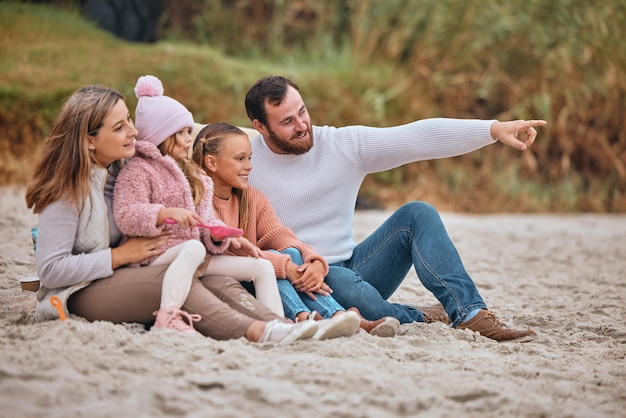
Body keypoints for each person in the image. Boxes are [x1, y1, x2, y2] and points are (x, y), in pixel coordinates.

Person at [243, 75, 547, 342]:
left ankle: (470, 312)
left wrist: (493, 129)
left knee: (418, 213)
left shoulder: (341, 144)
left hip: (355, 266)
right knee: (343, 284)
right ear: (260, 127)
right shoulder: (244, 162)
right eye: (287, 121)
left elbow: (416, 138)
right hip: (293, 277)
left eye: (303, 112)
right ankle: (420, 315)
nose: (302, 125)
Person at [24, 83, 317, 345]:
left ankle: (278, 325)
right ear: (89, 140)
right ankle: (257, 332)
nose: (134, 130)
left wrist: (220, 237)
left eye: (129, 119)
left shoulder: (129, 168)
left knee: (215, 278)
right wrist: (122, 256)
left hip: (131, 272)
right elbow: (51, 270)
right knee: (170, 281)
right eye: (119, 127)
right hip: (79, 291)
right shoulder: (65, 191)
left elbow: (182, 154)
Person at [192, 122, 402, 338]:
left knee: (291, 253)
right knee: (276, 259)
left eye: (250, 158)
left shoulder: (251, 197)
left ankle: (335, 315)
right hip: (231, 282)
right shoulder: (199, 200)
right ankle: (313, 316)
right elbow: (227, 252)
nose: (249, 166)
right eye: (240, 159)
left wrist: (313, 260)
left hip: (261, 275)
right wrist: (284, 266)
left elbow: (280, 235)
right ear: (211, 163)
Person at [113, 75, 284, 334]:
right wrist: (163, 214)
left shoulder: (195, 175)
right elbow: (125, 215)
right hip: (154, 257)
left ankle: (278, 325)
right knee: (192, 248)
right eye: (179, 133)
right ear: (159, 136)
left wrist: (221, 235)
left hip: (195, 255)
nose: (186, 139)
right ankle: (167, 318)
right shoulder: (138, 171)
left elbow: (205, 217)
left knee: (261, 266)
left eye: (188, 132)